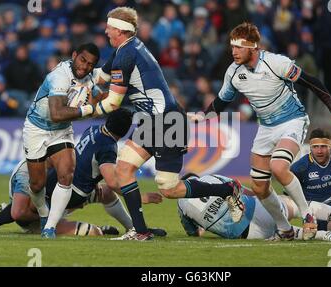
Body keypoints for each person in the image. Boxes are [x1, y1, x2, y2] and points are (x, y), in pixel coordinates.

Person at [92, 7, 243, 241]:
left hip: (166, 122)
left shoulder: (125, 55)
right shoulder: (127, 47)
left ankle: (228, 189)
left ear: (120, 30)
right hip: (153, 121)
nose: (105, 30)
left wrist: (81, 110)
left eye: (109, 27)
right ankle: (140, 230)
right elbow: (100, 77)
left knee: (169, 189)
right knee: (124, 169)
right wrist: (79, 80)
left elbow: (112, 103)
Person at [191, 22, 331, 240]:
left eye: (239, 47)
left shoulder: (276, 63)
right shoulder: (234, 72)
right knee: (260, 186)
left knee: (278, 166)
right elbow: (221, 102)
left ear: (254, 47)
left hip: (293, 120)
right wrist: (203, 116)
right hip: (265, 127)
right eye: (232, 46)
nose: (233, 51)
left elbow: (312, 82)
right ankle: (285, 229)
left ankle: (307, 214)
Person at [0, 110, 165, 237]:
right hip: (74, 192)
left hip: (62, 178)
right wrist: (141, 197)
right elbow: (113, 181)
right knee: (29, 211)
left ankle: (135, 227)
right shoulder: (108, 147)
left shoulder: (95, 129)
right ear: (123, 132)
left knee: (104, 194)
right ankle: (0, 226)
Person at [23, 43, 102, 238]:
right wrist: (89, 110)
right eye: (82, 60)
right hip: (36, 129)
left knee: (66, 174)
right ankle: (43, 213)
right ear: (74, 55)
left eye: (90, 64)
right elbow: (57, 113)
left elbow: (104, 92)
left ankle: (50, 226)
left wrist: (111, 97)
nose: (85, 66)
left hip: (61, 131)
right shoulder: (59, 76)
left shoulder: (91, 77)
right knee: (36, 184)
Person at [177, 173, 331, 241]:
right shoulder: (210, 177)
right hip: (254, 208)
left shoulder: (181, 204)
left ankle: (326, 236)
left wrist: (204, 226)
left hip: (242, 233)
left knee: (289, 233)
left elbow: (193, 233)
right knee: (302, 207)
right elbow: (241, 189)